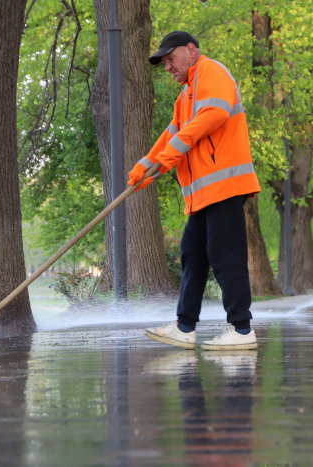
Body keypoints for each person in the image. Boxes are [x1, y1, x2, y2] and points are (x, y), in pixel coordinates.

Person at [128, 31, 261, 350]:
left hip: (225, 184)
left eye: (171, 59)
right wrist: (147, 165)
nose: (168, 67)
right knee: (193, 254)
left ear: (191, 50)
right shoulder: (185, 96)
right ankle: (185, 327)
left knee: (225, 256)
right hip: (204, 193)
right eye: (163, 63)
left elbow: (213, 115)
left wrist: (170, 155)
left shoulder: (210, 71)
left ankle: (242, 330)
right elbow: (170, 134)